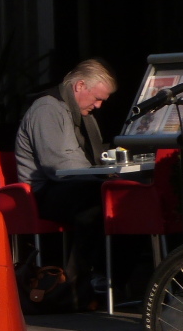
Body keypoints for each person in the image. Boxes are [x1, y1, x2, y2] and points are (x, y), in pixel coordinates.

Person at [15, 59, 117, 299]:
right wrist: (102, 174)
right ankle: (89, 279)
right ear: (80, 86)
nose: (99, 106)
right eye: (97, 98)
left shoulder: (79, 114)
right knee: (95, 200)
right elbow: (57, 164)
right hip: (43, 192)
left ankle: (92, 279)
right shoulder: (47, 109)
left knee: (119, 198)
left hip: (69, 186)